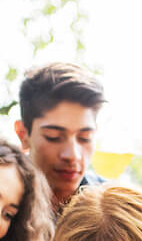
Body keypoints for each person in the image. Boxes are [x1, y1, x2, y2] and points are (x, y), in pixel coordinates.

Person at [14, 62, 105, 211]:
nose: (72, 155)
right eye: (53, 137)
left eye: (84, 137)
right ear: (23, 134)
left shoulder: (115, 207)